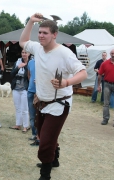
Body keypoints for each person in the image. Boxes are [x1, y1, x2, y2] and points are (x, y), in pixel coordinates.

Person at [19, 13, 87, 180]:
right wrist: (30, 22)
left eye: (45, 33)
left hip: (59, 103)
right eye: (39, 32)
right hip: (42, 102)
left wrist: (67, 82)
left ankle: (45, 175)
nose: (41, 36)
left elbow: (83, 72)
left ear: (54, 35)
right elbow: (22, 42)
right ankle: (54, 159)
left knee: (45, 142)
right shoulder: (37, 48)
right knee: (44, 135)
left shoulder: (64, 53)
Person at [9, 49, 30, 133]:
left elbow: (31, 74)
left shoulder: (31, 62)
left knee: (25, 108)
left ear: (29, 54)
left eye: (26, 53)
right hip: (16, 87)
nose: (24, 54)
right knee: (17, 107)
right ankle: (18, 124)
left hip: (25, 88)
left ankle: (25, 126)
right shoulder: (17, 62)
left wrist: (25, 66)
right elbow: (12, 74)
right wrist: (18, 67)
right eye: (22, 52)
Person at [27, 58, 40, 146]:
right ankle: (34, 134)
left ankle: (40, 135)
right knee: (32, 115)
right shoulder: (31, 62)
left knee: (40, 115)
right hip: (31, 90)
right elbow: (29, 74)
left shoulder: (45, 60)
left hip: (41, 92)